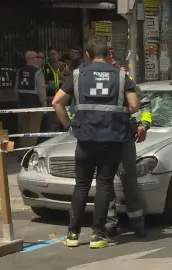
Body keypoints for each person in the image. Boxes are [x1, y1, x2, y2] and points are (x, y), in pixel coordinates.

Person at [52, 39, 140, 249]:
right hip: (111, 139)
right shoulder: (120, 76)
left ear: (88, 55)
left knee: (81, 185)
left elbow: (57, 102)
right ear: (109, 55)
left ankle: (72, 234)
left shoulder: (77, 75)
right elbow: (135, 105)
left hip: (85, 139)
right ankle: (97, 235)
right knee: (103, 184)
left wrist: (69, 127)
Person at [105, 69, 151, 239]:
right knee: (105, 182)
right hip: (102, 138)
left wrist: (144, 124)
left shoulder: (123, 78)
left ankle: (137, 223)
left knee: (129, 180)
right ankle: (110, 225)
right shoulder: (87, 78)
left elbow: (144, 102)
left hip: (124, 137)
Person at [14, 51, 46, 155]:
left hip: (22, 105)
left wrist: (18, 102)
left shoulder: (19, 72)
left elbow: (16, 90)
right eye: (36, 57)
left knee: (23, 131)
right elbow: (41, 90)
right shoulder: (38, 72)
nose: (38, 59)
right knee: (33, 130)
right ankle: (29, 153)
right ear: (32, 59)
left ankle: (22, 153)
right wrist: (44, 105)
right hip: (35, 106)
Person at [40, 47, 68, 142]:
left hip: (63, 99)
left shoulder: (64, 66)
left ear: (58, 54)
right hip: (50, 99)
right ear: (48, 56)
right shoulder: (45, 67)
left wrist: (61, 74)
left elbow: (69, 79)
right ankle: (50, 142)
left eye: (55, 53)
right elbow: (42, 82)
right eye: (51, 54)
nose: (54, 56)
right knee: (51, 123)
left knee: (63, 123)